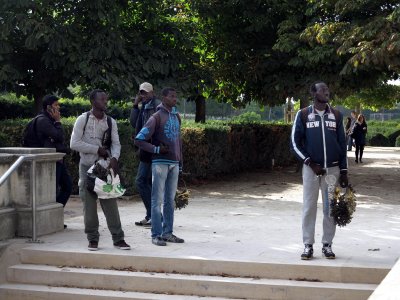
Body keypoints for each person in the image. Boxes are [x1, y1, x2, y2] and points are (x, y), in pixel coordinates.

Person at [290, 81, 349, 260]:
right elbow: (294, 143)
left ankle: (327, 245)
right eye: (323, 89)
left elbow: (342, 144)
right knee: (309, 208)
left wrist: (344, 171)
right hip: (311, 170)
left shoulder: (337, 115)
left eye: (327, 89)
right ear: (314, 93)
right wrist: (310, 162)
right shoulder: (303, 115)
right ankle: (308, 245)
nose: (327, 91)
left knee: (330, 209)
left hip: (332, 170)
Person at [70, 89, 130, 251]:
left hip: (104, 169)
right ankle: (93, 239)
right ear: (93, 101)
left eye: (106, 99)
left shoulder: (111, 122)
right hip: (86, 167)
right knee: (88, 205)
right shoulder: (83, 119)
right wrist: (96, 149)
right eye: (102, 99)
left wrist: (115, 158)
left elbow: (116, 143)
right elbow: (74, 143)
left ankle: (118, 239)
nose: (105, 102)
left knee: (110, 203)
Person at [135, 87, 184, 246]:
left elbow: (178, 142)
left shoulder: (176, 116)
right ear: (163, 98)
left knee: (170, 200)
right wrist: (156, 149)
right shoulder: (156, 117)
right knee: (157, 201)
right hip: (159, 163)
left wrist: (180, 162)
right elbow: (139, 139)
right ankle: (156, 235)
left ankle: (168, 233)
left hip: (174, 164)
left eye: (176, 96)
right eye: (171, 96)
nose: (175, 99)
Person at [33, 95, 72, 228]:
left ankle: (55, 217)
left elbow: (58, 139)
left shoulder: (48, 120)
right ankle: (48, 221)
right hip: (50, 162)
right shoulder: (43, 121)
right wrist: (58, 121)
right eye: (56, 105)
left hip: (57, 160)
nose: (58, 107)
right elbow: (60, 136)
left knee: (67, 186)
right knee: (52, 191)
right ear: (49, 107)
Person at [130, 82, 160, 227]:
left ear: (152, 93)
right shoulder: (144, 106)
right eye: (141, 93)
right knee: (146, 182)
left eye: (146, 93)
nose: (143, 95)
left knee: (141, 181)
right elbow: (134, 123)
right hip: (146, 149)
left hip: (152, 149)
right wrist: (135, 106)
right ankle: (151, 215)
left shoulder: (156, 106)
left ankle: (155, 216)